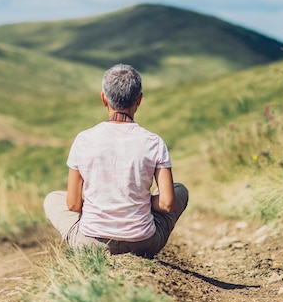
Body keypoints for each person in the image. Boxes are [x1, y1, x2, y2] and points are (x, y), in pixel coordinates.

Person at [44, 63, 188, 258]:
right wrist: (139, 200)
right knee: (180, 189)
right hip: (144, 244)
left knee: (53, 198)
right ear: (140, 99)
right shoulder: (154, 142)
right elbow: (167, 203)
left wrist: (104, 201)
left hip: (91, 244)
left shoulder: (83, 140)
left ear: (104, 98)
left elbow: (73, 205)